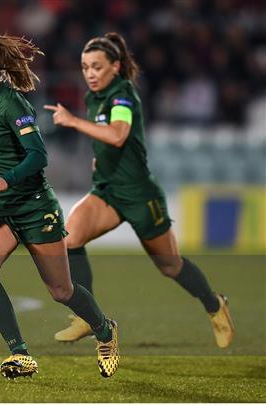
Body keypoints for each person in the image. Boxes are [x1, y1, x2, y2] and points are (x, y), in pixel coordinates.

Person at [44, 32, 234, 348]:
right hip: (108, 191)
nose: (90, 74)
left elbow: (118, 135)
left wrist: (74, 122)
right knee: (70, 238)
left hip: (140, 195)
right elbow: (111, 142)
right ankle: (87, 319)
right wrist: (99, 160)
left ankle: (215, 305)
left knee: (170, 265)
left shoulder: (122, 95)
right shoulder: (95, 97)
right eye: (85, 67)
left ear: (115, 67)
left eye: (97, 67)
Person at [0, 35, 119, 379]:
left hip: (33, 206)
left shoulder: (13, 104)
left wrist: (8, 179)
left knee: (61, 291)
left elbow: (39, 155)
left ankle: (105, 330)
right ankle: (20, 354)